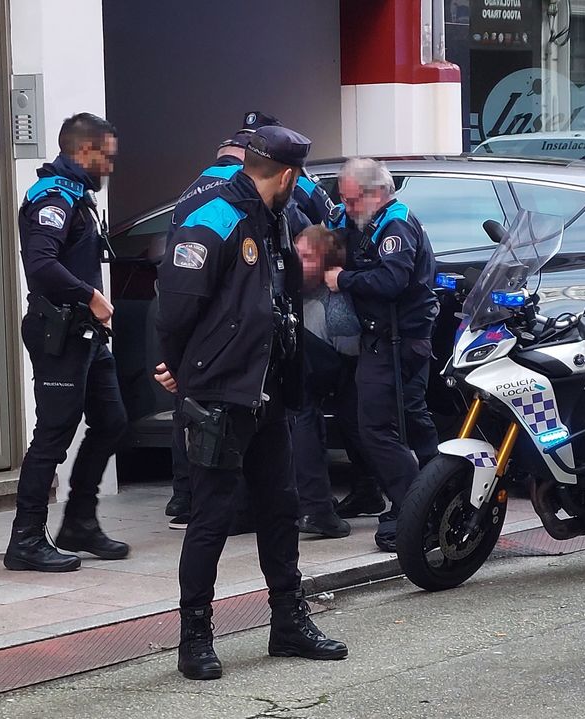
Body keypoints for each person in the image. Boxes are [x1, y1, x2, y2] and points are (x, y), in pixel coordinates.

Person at [155, 125, 347, 680]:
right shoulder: (215, 217)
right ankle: (195, 637)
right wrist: (181, 369)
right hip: (220, 392)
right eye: (299, 177)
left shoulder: (276, 218)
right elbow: (176, 305)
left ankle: (288, 624)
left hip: (267, 389)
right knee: (211, 516)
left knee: (280, 508)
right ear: (287, 175)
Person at [6, 113, 129, 573]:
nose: (111, 166)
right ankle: (25, 540)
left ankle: (79, 521)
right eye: (107, 156)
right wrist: (91, 296)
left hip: (86, 334)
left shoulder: (78, 196)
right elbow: (40, 264)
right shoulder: (54, 197)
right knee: (53, 437)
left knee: (113, 421)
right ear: (84, 151)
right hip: (60, 330)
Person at [161, 111, 282, 530]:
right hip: (232, 358)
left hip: (204, 354)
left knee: (191, 419)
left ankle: (183, 498)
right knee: (226, 486)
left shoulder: (192, 191)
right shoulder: (232, 207)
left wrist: (176, 365)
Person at [324, 158, 439, 552]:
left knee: (377, 427)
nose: (346, 206)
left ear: (376, 193)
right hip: (379, 338)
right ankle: (435, 495)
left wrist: (343, 279)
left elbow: (391, 280)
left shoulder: (396, 225)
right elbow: (330, 237)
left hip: (398, 340)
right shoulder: (356, 218)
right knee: (409, 417)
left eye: (352, 199)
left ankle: (411, 510)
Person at [290, 225, 378, 538]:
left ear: (329, 268)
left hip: (342, 369)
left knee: (353, 419)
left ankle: (326, 504)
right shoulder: (286, 284)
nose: (298, 262)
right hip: (315, 376)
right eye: (296, 253)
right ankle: (322, 504)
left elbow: (350, 349)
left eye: (308, 257)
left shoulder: (336, 305)